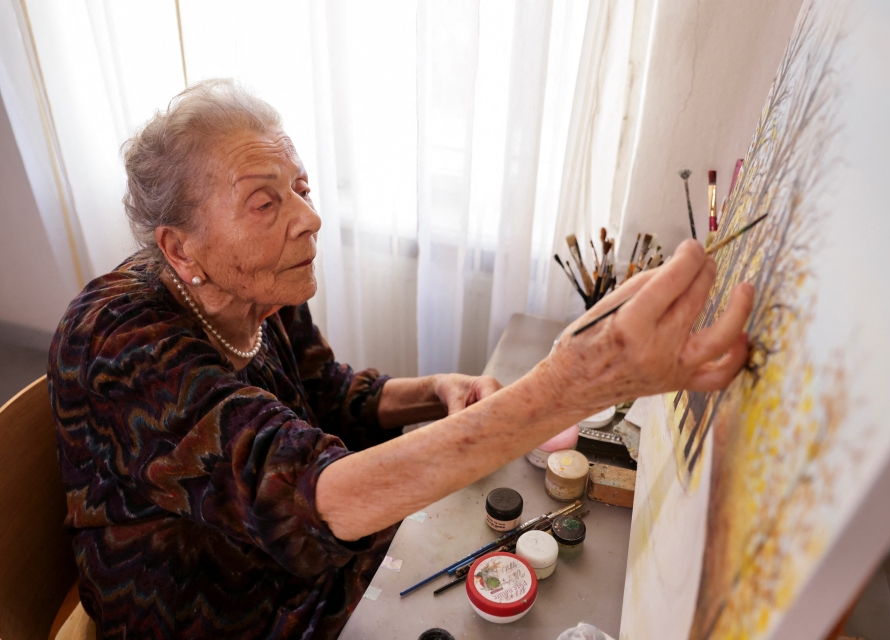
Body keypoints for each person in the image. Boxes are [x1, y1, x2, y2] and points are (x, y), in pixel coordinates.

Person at [48, 79, 753, 639]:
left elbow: (327, 392)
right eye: (266, 201)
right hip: (227, 615)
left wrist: (434, 390)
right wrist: (570, 384)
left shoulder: (259, 284)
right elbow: (312, 498)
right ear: (179, 248)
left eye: (301, 188)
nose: (308, 216)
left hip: (299, 579)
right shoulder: (119, 341)